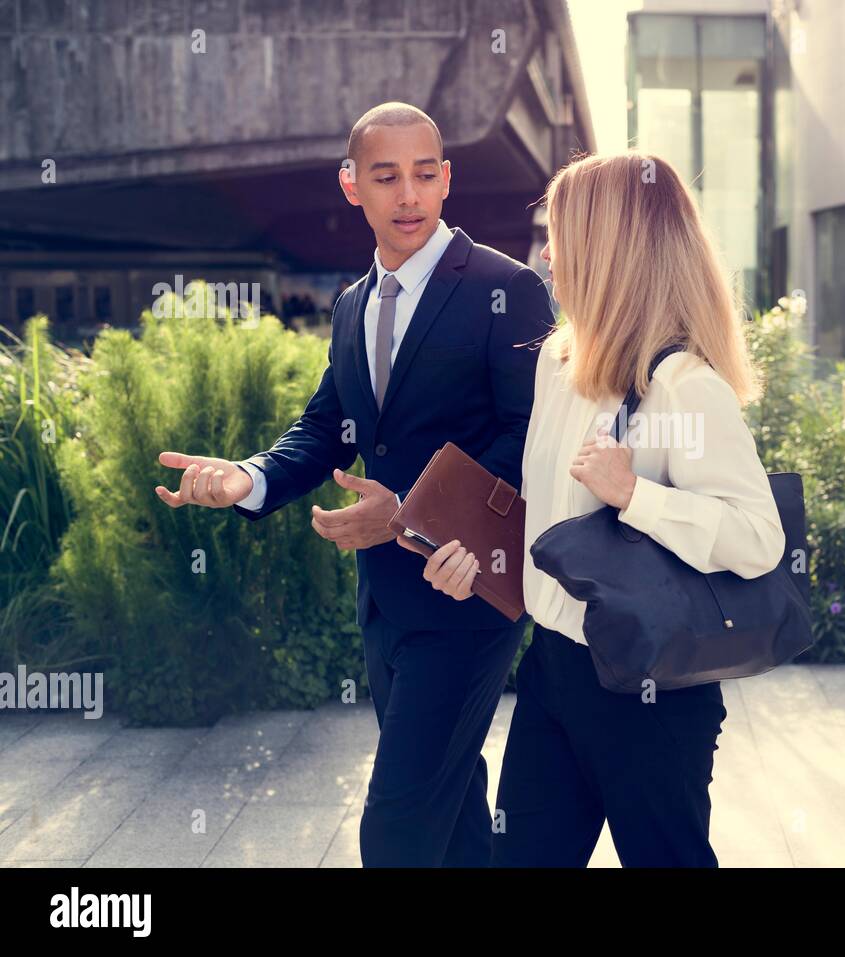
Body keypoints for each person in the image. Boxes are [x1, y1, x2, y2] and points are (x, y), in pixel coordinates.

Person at [153, 102, 554, 867]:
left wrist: (408, 516)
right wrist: (247, 478)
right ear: (351, 186)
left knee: (396, 827)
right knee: (454, 807)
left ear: (446, 180)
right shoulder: (352, 304)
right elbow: (326, 424)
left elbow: (528, 438)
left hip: (467, 600)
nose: (408, 195)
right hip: (384, 605)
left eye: (424, 174)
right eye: (386, 176)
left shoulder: (506, 290)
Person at [404, 152, 785, 866]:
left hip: (653, 692)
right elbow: (545, 520)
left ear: (612, 249)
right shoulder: (560, 362)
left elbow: (758, 537)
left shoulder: (680, 384)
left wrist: (636, 495)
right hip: (554, 671)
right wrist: (473, 562)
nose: (547, 253)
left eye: (563, 233)